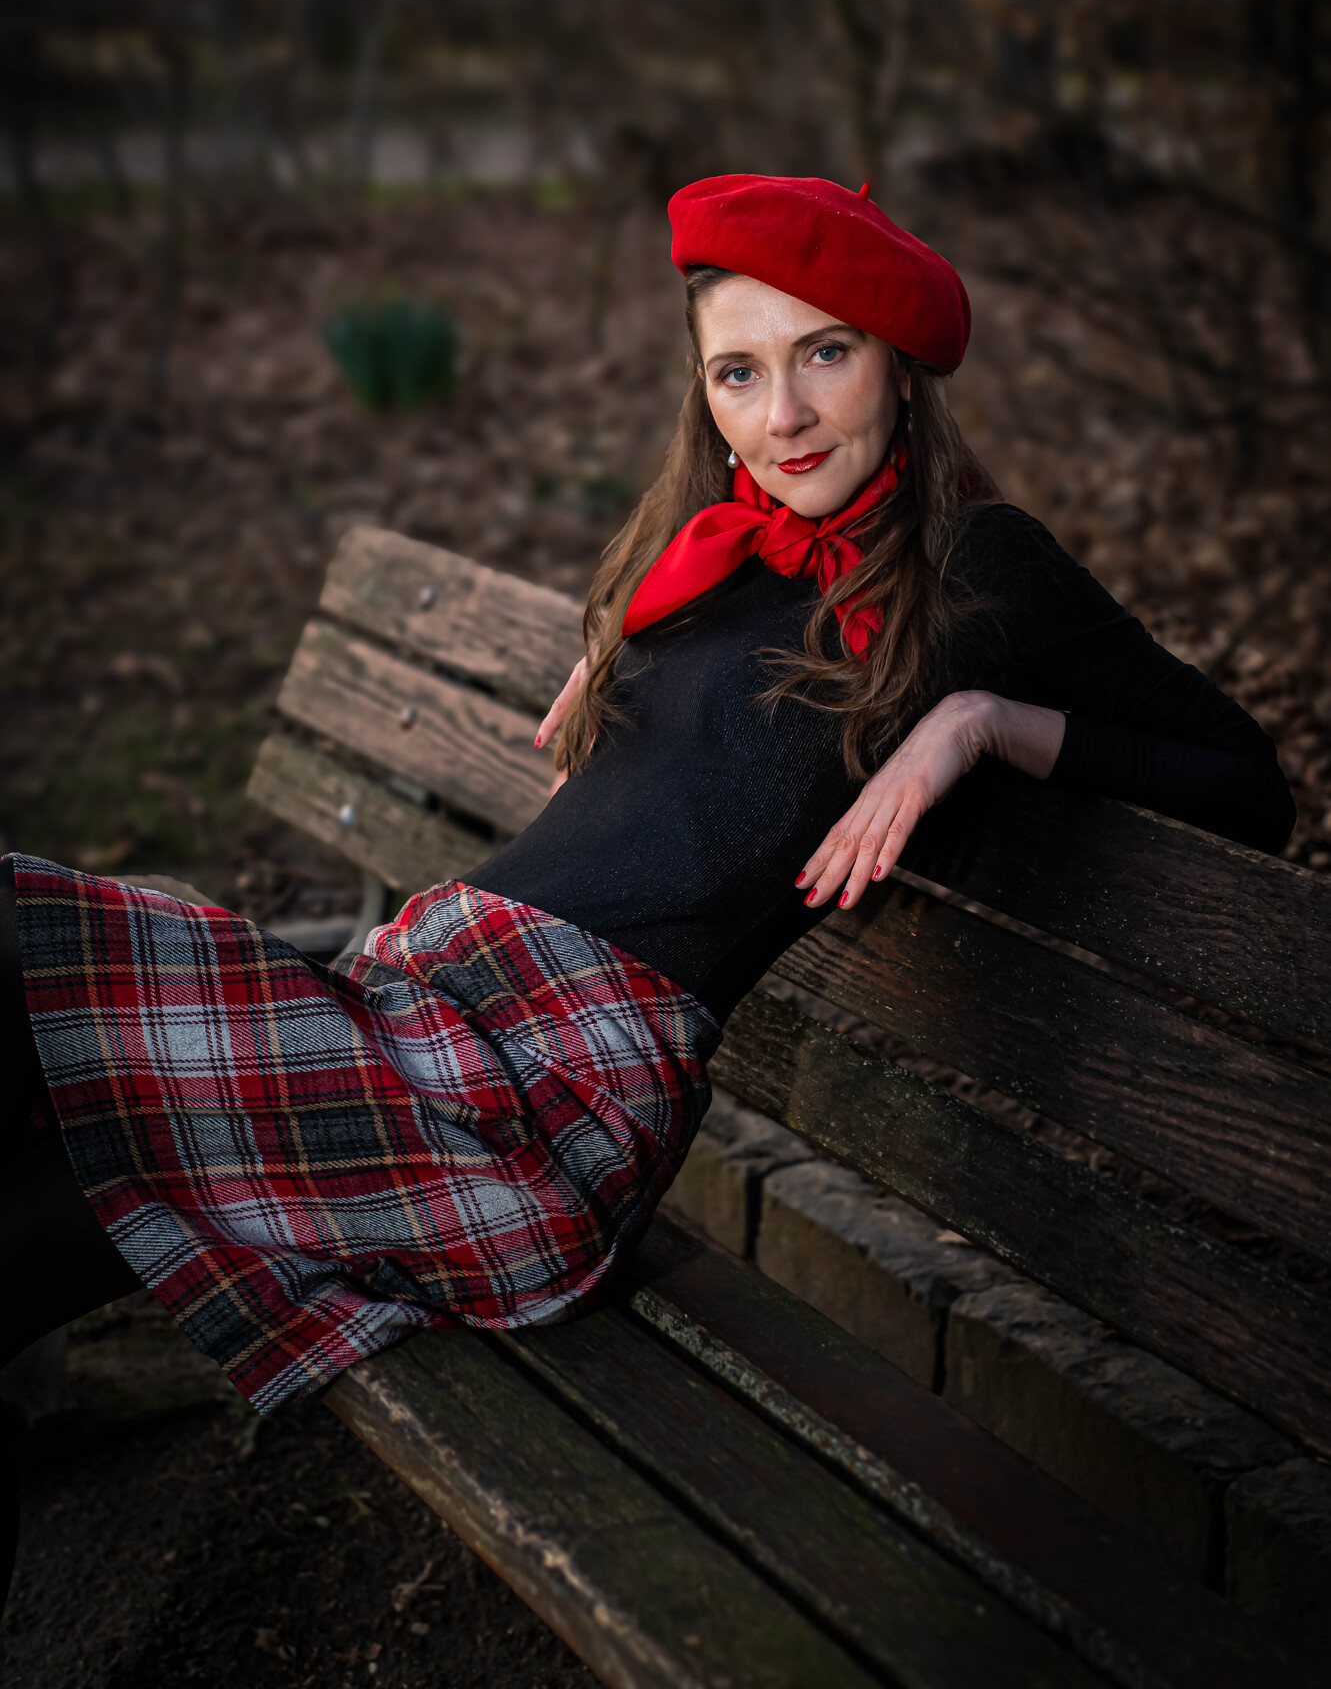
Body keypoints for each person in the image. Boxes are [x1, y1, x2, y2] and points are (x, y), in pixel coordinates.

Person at [0, 175, 1293, 1595]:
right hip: (422, 1004)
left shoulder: (982, 564)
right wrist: (633, 656)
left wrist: (979, 723)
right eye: (739, 372)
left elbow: (1249, 783)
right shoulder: (705, 550)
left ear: (899, 369)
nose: (784, 414)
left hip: (541, 1097)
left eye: (826, 353)